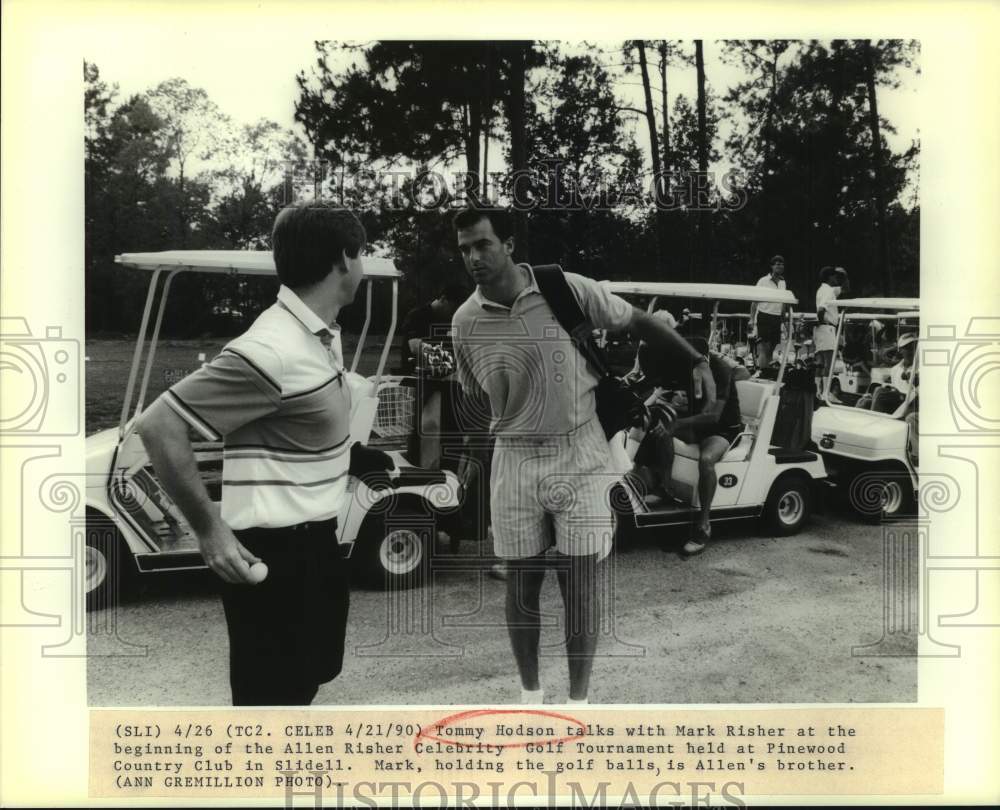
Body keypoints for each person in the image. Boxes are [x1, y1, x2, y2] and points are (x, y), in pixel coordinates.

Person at [450, 206, 714, 705]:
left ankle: (579, 705)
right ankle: (531, 698)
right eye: (464, 249)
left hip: (581, 448)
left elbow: (637, 319)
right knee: (521, 587)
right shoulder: (465, 322)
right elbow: (475, 398)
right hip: (514, 456)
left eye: (482, 244)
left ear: (508, 245)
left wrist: (695, 359)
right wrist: (472, 462)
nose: (473, 257)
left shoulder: (565, 287)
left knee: (580, 588)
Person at [135, 202, 392, 706]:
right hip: (275, 557)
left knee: (307, 684)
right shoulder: (272, 348)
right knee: (269, 711)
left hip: (316, 545)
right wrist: (209, 529)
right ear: (344, 260)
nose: (361, 266)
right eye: (360, 255)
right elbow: (158, 425)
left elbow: (295, 422)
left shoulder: (318, 333)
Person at [635, 327, 745, 557]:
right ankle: (664, 488)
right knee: (660, 429)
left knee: (706, 461)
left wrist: (678, 423)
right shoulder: (686, 366)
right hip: (698, 426)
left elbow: (712, 416)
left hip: (723, 431)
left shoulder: (721, 370)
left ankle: (704, 525)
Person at [399, 283, 467, 373]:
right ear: (443, 299)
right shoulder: (417, 315)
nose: (454, 313)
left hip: (441, 376)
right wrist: (445, 363)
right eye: (453, 308)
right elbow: (415, 347)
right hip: (415, 376)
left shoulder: (449, 320)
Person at [814, 265, 848, 395]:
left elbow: (845, 288)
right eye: (835, 276)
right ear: (830, 277)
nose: (837, 278)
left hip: (823, 328)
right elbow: (821, 309)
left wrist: (845, 276)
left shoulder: (825, 289)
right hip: (827, 327)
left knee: (821, 362)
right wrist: (822, 322)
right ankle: (825, 393)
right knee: (829, 361)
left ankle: (819, 391)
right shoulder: (828, 291)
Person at [749, 255, 787, 371]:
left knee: (771, 349)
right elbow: (754, 301)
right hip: (764, 316)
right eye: (777, 264)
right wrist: (751, 319)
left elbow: (784, 302)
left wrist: (783, 319)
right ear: (772, 267)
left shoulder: (783, 282)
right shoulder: (763, 281)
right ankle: (762, 372)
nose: (780, 266)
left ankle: (767, 373)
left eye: (781, 264)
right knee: (764, 348)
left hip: (776, 318)